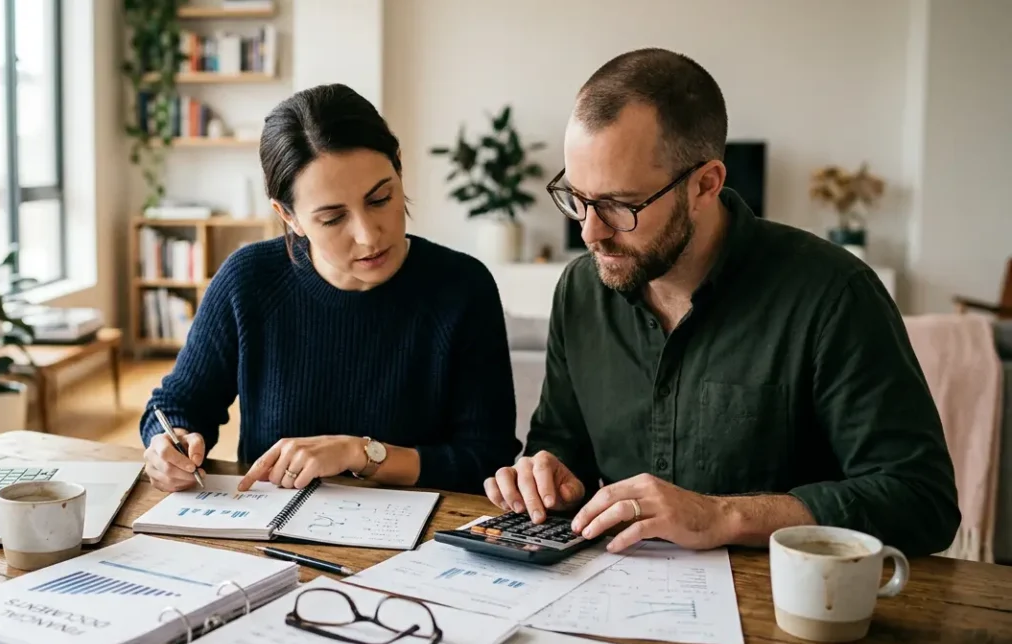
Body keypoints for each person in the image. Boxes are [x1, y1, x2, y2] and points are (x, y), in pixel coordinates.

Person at [484, 48, 960, 557]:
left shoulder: (834, 295)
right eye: (577, 197)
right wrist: (548, 471)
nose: (590, 231)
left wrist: (722, 515)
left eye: (621, 205)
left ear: (705, 185)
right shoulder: (582, 290)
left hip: (786, 609)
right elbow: (561, 441)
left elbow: (919, 499)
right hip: (610, 593)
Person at [139, 83, 522, 495]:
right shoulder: (247, 280)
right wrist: (170, 444)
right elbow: (177, 405)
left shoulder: (463, 288)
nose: (368, 235)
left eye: (380, 199)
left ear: (399, 168)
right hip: (268, 539)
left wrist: (362, 453)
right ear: (288, 217)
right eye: (333, 218)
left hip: (419, 545)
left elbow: (486, 460)